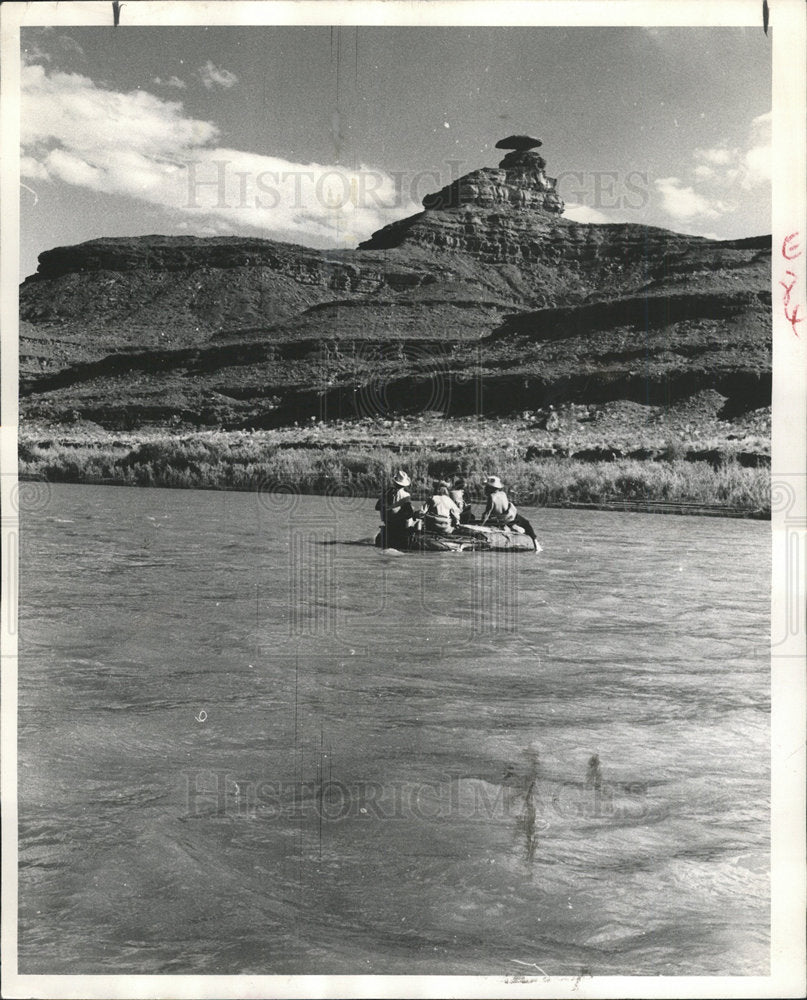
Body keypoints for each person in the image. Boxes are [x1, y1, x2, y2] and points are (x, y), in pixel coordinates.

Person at [479, 475, 540, 553]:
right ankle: (536, 543)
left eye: (486, 487)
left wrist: (481, 525)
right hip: (512, 516)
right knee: (526, 523)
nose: (485, 488)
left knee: (518, 525)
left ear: (490, 488)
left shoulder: (491, 497)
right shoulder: (503, 494)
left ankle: (519, 532)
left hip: (504, 520)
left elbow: (487, 514)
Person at [375, 470, 419, 549]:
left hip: (388, 522)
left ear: (395, 482)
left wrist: (389, 508)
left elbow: (377, 507)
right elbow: (409, 513)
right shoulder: (406, 496)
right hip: (400, 524)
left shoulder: (386, 492)